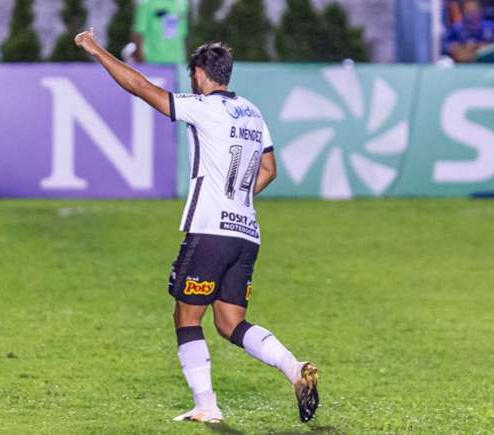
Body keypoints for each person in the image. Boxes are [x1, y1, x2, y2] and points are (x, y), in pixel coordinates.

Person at [74, 29, 319, 424]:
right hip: (246, 234)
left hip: (210, 232)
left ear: (202, 74)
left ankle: (207, 405)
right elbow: (270, 169)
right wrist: (238, 200)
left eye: (193, 75)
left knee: (186, 317)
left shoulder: (204, 106)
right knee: (229, 322)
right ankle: (295, 368)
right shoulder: (253, 112)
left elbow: (139, 87)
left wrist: (95, 49)